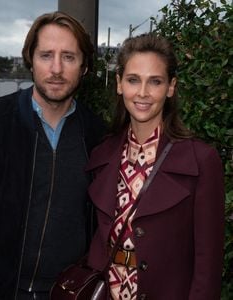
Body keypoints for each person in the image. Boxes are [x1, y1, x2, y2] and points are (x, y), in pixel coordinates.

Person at [0, 11, 105, 300]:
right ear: (30, 60)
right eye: (46, 55)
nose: (56, 68)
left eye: (68, 57)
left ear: (85, 67)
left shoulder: (97, 135)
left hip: (66, 292)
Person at [86, 33, 225, 300]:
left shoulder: (201, 160)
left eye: (156, 82)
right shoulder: (102, 154)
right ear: (119, 84)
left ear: (171, 87)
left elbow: (208, 265)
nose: (142, 93)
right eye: (133, 80)